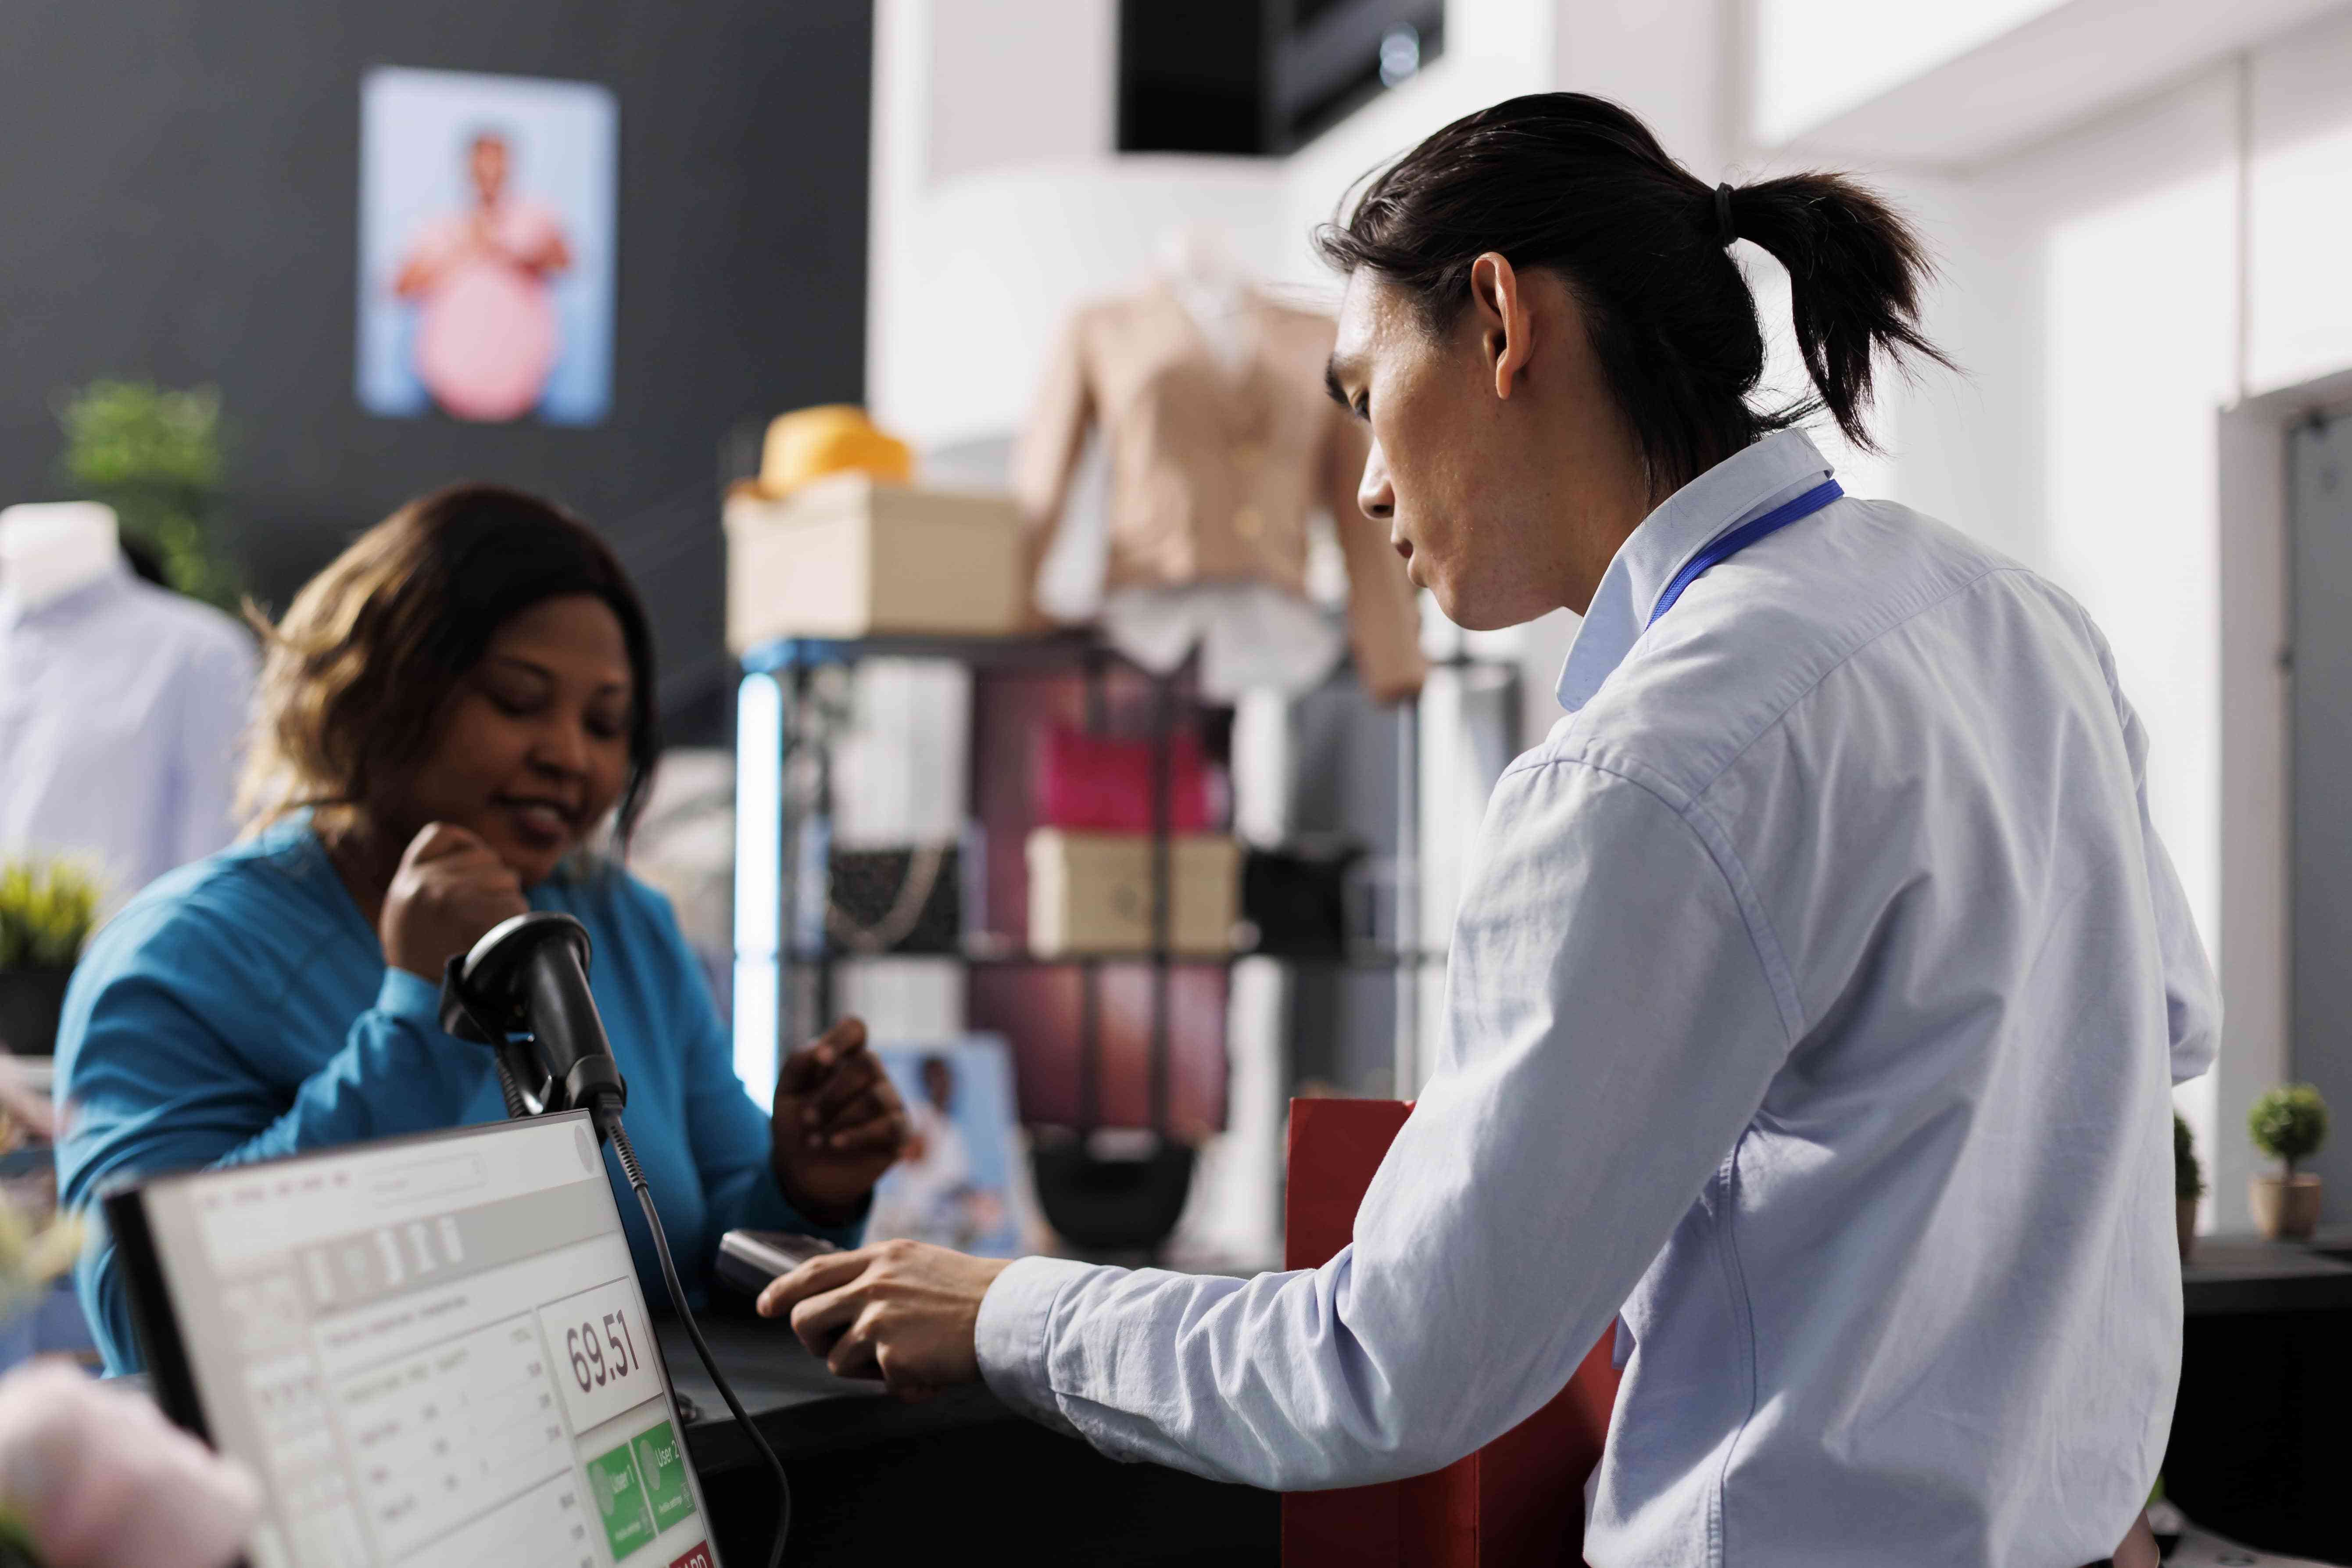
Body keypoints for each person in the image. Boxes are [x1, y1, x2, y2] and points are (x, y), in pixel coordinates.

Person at [757, 93, 2206, 1567]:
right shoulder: (2016, 619)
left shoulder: (1650, 764)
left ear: (1503, 321)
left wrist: (1006, 1308)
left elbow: (1385, 1367)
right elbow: (2160, 1027)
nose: (1370, 484)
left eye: (1365, 395)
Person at [55, 484, 908, 1371]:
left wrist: (806, 1180)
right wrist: (419, 1017)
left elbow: (701, 1239)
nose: (569, 754)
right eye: (516, 699)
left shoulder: (620, 921)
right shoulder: (182, 953)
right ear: (374, 692)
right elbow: (141, 1316)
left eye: (606, 723)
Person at [393, 129, 572, 422]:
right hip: (446, 394)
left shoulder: (536, 218)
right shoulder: (442, 226)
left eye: (496, 162)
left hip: (522, 395)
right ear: (468, 168)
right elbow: (402, 287)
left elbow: (564, 263)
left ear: (509, 166)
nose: (489, 172)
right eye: (482, 162)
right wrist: (464, 247)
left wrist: (507, 250)